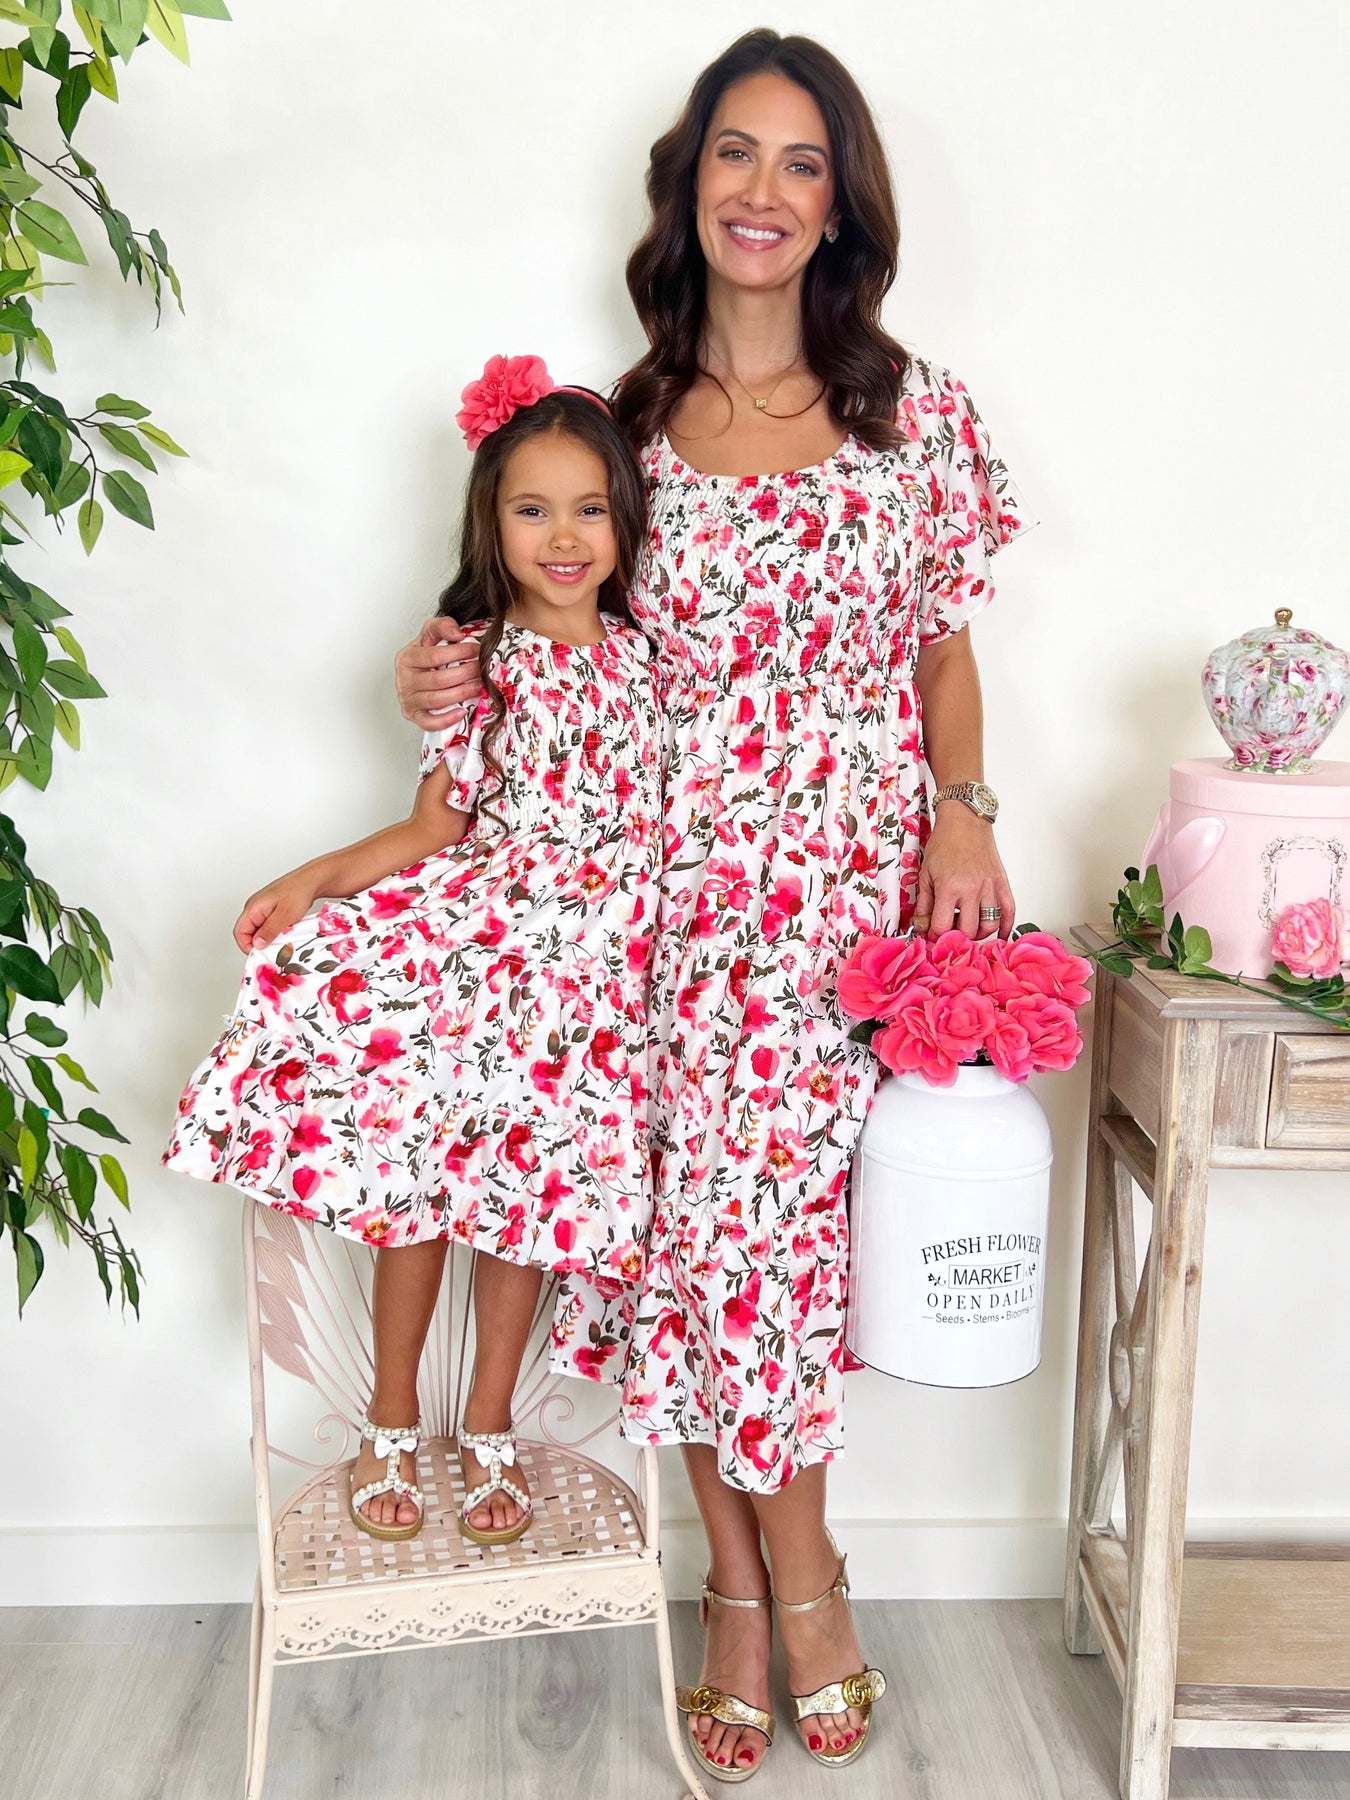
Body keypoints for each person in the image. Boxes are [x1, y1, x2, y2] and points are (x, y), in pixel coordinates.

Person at [396, 29, 1032, 1781]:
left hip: (836, 904)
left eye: (801, 162)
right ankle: (750, 1592)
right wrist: (433, 676)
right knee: (688, 1244)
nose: (763, 191)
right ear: (687, 187)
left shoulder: (912, 414)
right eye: (735, 155)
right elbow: (529, 618)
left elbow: (942, 652)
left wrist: (963, 814)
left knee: (780, 1250)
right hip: (654, 904)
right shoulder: (622, 428)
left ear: (841, 205)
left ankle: (788, 1580)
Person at [166, 362, 662, 1549]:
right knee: (428, 1191)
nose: (562, 537)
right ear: (490, 521)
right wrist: (314, 877)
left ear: (624, 520)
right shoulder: (477, 666)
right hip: (482, 974)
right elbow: (435, 826)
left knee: (526, 1211)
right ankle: (390, 1415)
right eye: (532, 509)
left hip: (590, 995)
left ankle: (489, 1423)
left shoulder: (654, 662)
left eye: (588, 509)